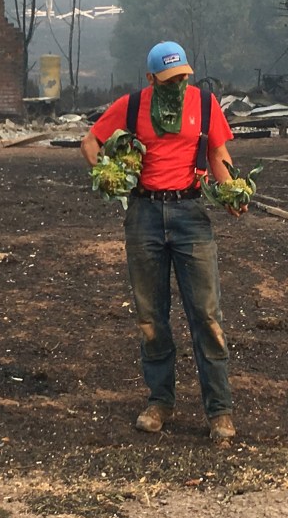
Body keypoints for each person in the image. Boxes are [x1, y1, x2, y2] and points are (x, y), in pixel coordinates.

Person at [81, 41, 244, 442]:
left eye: (183, 76)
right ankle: (160, 402)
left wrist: (231, 194)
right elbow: (90, 142)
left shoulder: (205, 104)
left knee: (207, 316)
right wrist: (109, 174)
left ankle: (219, 411)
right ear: (151, 77)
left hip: (191, 216)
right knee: (151, 317)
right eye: (169, 78)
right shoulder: (132, 106)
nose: (179, 83)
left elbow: (217, 154)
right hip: (144, 217)